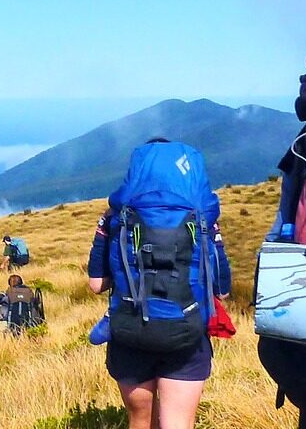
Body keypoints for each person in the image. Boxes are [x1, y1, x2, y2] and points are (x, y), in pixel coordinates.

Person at [89, 138, 231, 429]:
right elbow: (223, 289)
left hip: (130, 334)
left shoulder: (116, 219)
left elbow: (95, 284)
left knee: (140, 421)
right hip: (186, 334)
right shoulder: (203, 221)